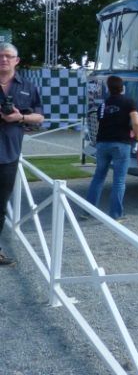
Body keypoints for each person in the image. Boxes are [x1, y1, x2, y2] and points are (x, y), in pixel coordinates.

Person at [0, 43, 44, 267]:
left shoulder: (28, 86)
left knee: (0, 206)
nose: (4, 60)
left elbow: (40, 117)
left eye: (8, 56)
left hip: (8, 155)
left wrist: (20, 117)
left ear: (16, 60)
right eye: (0, 56)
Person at [85, 75, 138, 221]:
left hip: (102, 143)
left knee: (98, 178)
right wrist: (137, 136)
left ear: (108, 88)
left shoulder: (103, 105)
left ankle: (88, 212)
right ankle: (116, 215)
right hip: (121, 143)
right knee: (119, 181)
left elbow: (100, 121)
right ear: (122, 88)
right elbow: (135, 123)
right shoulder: (129, 102)